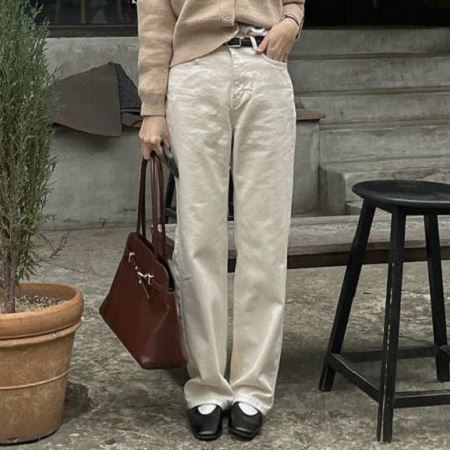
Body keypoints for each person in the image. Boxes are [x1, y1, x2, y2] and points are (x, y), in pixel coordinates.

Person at [137, 0, 305, 441]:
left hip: (265, 66)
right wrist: (153, 106)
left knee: (266, 237)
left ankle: (253, 386)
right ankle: (206, 384)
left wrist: (291, 21)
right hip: (195, 75)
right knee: (198, 238)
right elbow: (155, 18)